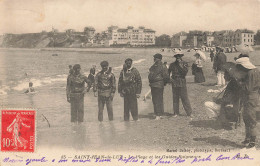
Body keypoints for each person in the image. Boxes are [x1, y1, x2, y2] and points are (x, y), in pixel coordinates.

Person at [235, 55, 260, 148]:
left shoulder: (250, 73)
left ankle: (252, 142)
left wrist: (239, 82)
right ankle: (248, 138)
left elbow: (247, 88)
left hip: (250, 97)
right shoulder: (256, 70)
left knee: (251, 118)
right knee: (247, 118)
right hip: (254, 97)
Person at [168, 53, 192, 117]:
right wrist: (169, 80)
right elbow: (168, 72)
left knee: (184, 98)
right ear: (175, 57)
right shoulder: (172, 64)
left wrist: (180, 65)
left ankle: (189, 113)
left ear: (181, 57)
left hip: (182, 81)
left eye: (179, 57)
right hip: (174, 82)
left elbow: (185, 72)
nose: (178, 58)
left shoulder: (185, 64)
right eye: (177, 57)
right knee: (175, 98)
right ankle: (176, 113)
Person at [148, 53, 169, 120]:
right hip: (156, 84)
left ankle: (158, 114)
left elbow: (166, 76)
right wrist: (164, 83)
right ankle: (159, 113)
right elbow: (166, 76)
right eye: (154, 57)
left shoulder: (158, 66)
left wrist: (163, 83)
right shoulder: (158, 66)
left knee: (156, 99)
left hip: (157, 84)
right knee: (157, 99)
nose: (154, 59)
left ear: (159, 58)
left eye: (155, 58)